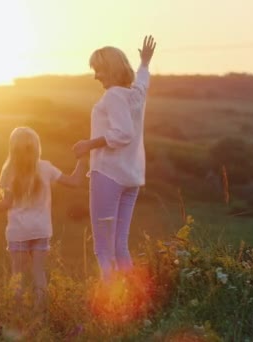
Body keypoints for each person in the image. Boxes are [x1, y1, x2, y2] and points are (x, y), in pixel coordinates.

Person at [72, 36, 156, 281]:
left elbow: (123, 133)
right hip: (131, 178)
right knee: (120, 245)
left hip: (108, 175)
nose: (96, 76)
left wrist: (89, 144)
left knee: (103, 248)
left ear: (111, 69)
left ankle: (111, 303)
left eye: (99, 70)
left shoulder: (113, 96)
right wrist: (145, 63)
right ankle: (132, 299)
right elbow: (142, 84)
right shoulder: (134, 96)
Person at [0, 126, 87, 309]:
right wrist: (83, 159)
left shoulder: (8, 171)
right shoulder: (46, 168)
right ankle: (40, 311)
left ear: (12, 149)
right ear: (37, 147)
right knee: (38, 272)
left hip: (18, 231)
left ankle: (16, 312)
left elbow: (6, 204)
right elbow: (75, 181)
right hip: (41, 230)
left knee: (17, 274)